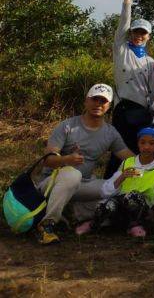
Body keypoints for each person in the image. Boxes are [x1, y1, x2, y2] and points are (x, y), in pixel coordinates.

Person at [34, 84, 134, 245]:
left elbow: (129, 158)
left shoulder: (110, 133)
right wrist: (67, 159)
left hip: (84, 185)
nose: (98, 104)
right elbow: (47, 160)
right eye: (95, 99)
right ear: (86, 101)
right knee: (73, 174)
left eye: (103, 101)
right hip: (51, 184)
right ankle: (46, 225)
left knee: (120, 187)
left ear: (109, 106)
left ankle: (79, 214)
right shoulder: (67, 126)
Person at [74, 126, 154, 238]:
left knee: (133, 196)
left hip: (143, 211)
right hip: (121, 208)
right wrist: (122, 177)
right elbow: (106, 191)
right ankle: (93, 224)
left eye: (151, 143)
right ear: (138, 144)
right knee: (108, 204)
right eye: (143, 142)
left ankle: (136, 226)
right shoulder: (128, 162)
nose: (146, 147)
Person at [110, 0, 154, 176]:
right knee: (118, 151)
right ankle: (109, 188)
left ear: (148, 36)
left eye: (143, 33)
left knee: (138, 152)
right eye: (136, 32)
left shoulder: (150, 61)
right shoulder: (121, 49)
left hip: (142, 112)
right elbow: (123, 23)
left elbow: (153, 90)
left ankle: (133, 188)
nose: (139, 36)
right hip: (122, 109)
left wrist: (152, 111)